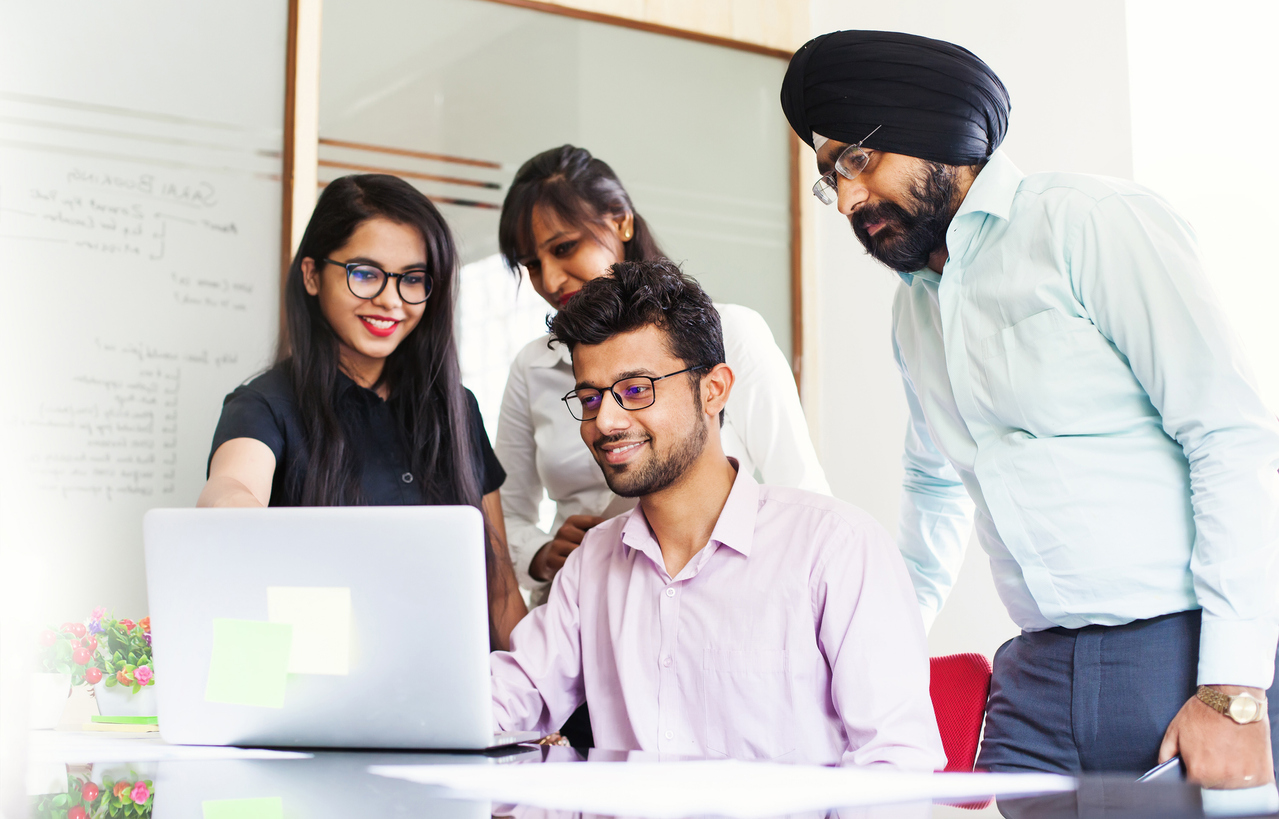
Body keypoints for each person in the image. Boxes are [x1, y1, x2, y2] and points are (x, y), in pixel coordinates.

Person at [780, 30, 1279, 785]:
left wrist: (1233, 686)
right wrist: (878, 654)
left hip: (1177, 652)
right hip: (1033, 676)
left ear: (932, 131)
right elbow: (935, 488)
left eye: (857, 160)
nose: (847, 198)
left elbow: (1227, 434)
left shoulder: (1088, 222)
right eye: (831, 176)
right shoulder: (912, 311)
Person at [490, 259, 944, 768]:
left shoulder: (836, 548)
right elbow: (507, 698)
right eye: (590, 398)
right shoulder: (592, 564)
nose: (606, 421)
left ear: (714, 389)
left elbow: (896, 766)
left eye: (636, 390)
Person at [198, 174, 527, 650]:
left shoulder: (457, 408)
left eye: (413, 279)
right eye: (365, 273)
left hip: (448, 694)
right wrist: (231, 507)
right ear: (312, 275)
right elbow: (231, 488)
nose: (391, 300)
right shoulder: (264, 405)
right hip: (317, 697)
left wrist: (537, 706)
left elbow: (500, 592)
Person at [494, 145, 829, 605]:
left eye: (564, 248)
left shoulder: (732, 334)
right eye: (531, 265)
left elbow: (800, 491)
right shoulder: (532, 367)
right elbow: (504, 513)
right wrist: (542, 553)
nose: (550, 280)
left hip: (707, 600)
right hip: (576, 607)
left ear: (621, 221)